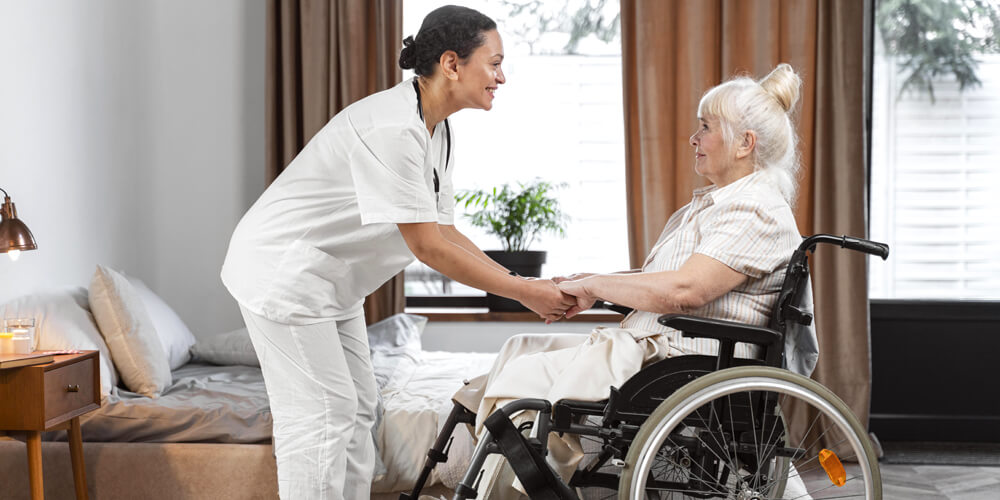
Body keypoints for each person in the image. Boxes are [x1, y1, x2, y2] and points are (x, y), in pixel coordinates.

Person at [220, 6, 575, 499]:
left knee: (362, 405)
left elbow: (446, 232)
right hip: (284, 273)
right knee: (324, 413)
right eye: (494, 63)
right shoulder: (394, 129)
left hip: (332, 281)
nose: (502, 76)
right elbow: (428, 247)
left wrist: (524, 285)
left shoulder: (436, 128)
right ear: (452, 64)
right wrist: (522, 292)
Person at [461, 63, 813, 498]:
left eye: (705, 127)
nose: (694, 139)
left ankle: (515, 485)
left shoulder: (754, 210)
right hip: (661, 348)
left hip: (683, 359)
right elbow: (660, 279)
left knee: (521, 384)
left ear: (745, 143)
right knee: (519, 350)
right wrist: (589, 280)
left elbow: (686, 291)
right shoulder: (717, 205)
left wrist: (594, 287)